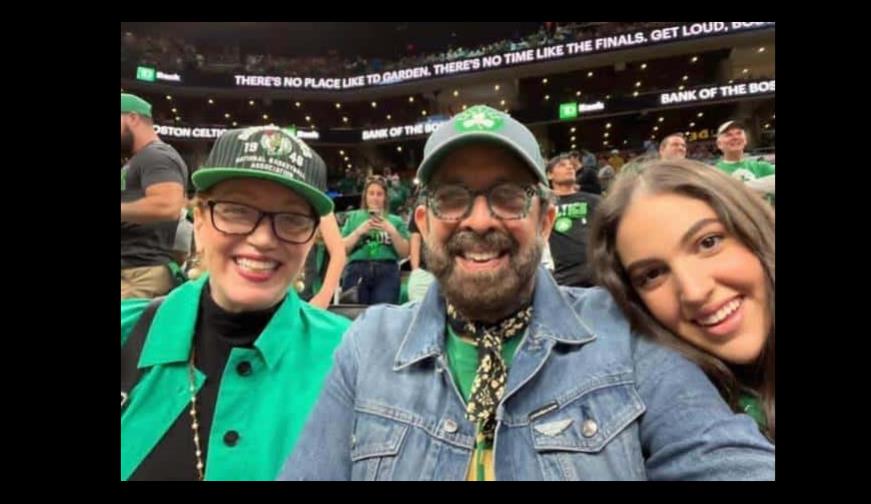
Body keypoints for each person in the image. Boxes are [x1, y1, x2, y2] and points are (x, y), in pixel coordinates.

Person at [278, 105, 774, 481]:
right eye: (452, 198)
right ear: (424, 223)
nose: (479, 220)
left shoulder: (622, 329)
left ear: (545, 219)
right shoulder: (369, 344)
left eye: (509, 196)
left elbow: (724, 458)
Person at [121, 126, 351, 481]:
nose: (261, 239)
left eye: (291, 219)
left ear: (311, 240)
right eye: (236, 211)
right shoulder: (127, 332)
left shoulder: (352, 356)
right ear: (198, 220)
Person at [589, 158, 774, 442]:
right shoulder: (661, 410)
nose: (694, 291)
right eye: (652, 275)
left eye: (708, 242)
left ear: (754, 229)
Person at [121, 93, 189, 298]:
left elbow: (167, 206)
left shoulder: (156, 155)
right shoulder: (138, 159)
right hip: (133, 271)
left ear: (132, 118)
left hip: (141, 273)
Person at [340, 175, 410, 304]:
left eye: (379, 194)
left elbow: (405, 252)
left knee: (383, 318)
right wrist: (358, 232)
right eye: (371, 193)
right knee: (354, 316)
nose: (375, 198)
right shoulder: (353, 217)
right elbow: (341, 249)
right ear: (365, 196)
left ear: (385, 198)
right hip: (356, 270)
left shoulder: (396, 220)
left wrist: (392, 231)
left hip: (387, 272)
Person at [546, 154, 600, 287]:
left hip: (598, 276)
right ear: (549, 175)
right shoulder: (543, 206)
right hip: (562, 280)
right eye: (562, 165)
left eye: (571, 165)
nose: (569, 167)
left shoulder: (594, 200)